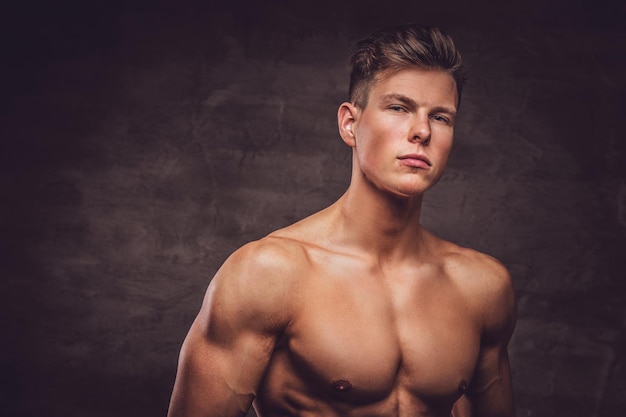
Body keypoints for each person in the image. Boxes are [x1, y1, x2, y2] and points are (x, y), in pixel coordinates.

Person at [167, 24, 517, 417]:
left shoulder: (481, 289)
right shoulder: (269, 275)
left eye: (441, 117)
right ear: (350, 124)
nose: (421, 131)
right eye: (399, 108)